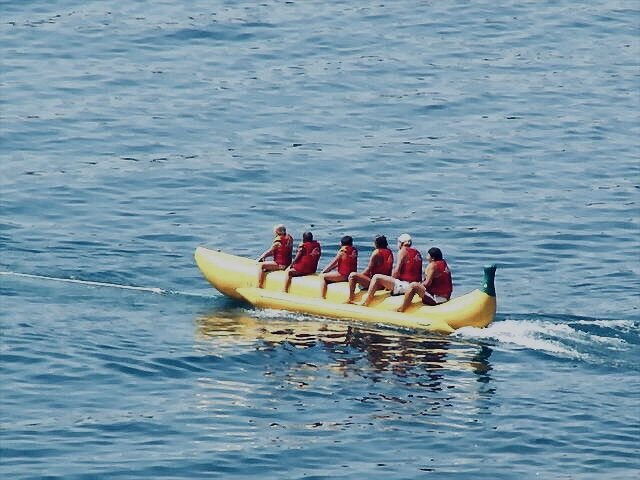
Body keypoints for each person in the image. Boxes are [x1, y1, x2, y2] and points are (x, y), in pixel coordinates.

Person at [360, 233, 422, 307]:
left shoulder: (403, 251)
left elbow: (397, 271)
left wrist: (388, 285)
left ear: (401, 243)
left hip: (406, 286)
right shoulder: (417, 252)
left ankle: (367, 302)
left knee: (377, 277)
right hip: (416, 285)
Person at [397, 247, 452, 312]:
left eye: (428, 255)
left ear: (433, 258)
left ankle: (402, 309)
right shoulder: (443, 263)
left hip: (436, 299)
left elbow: (427, 283)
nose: (426, 257)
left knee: (413, 285)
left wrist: (418, 285)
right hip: (446, 297)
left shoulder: (433, 265)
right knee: (416, 285)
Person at [346, 235, 393, 303]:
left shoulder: (376, 252)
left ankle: (350, 299)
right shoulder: (389, 252)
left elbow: (368, 270)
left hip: (376, 284)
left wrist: (358, 277)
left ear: (376, 243)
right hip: (386, 283)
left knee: (352, 275)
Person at [257, 224, 294, 288]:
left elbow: (270, 251)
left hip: (281, 265)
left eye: (275, 232)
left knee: (261, 266)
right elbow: (282, 251)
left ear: (278, 232)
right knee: (268, 264)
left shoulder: (278, 241)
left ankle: (259, 285)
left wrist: (261, 257)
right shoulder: (290, 238)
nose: (275, 233)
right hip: (288, 263)